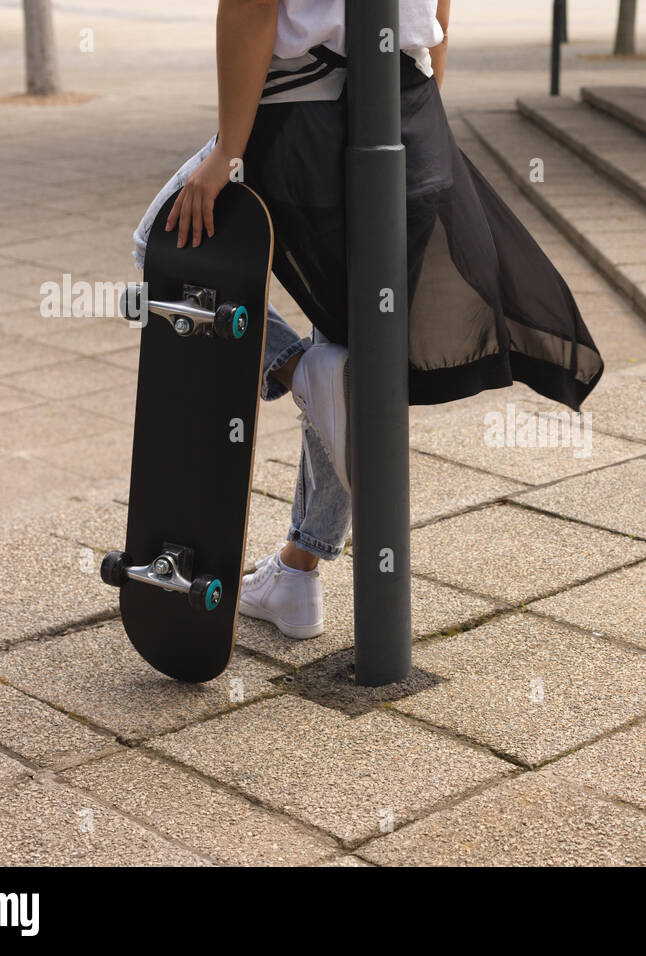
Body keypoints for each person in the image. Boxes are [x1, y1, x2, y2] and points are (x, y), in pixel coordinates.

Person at [131, 0, 603, 640]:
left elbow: (251, 8)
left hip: (304, 120)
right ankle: (297, 574)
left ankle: (292, 366)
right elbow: (438, 10)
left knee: (159, 241)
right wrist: (419, 123)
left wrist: (227, 152)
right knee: (349, 346)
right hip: (411, 120)